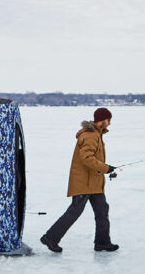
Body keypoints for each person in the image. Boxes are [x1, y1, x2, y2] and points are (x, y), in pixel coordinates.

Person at [40, 107, 119, 252]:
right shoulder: (90, 135)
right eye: (108, 120)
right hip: (84, 182)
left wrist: (104, 168)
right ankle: (50, 238)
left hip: (93, 182)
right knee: (75, 211)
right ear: (102, 120)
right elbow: (87, 158)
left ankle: (102, 242)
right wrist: (105, 168)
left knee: (102, 210)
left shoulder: (97, 134)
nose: (109, 123)